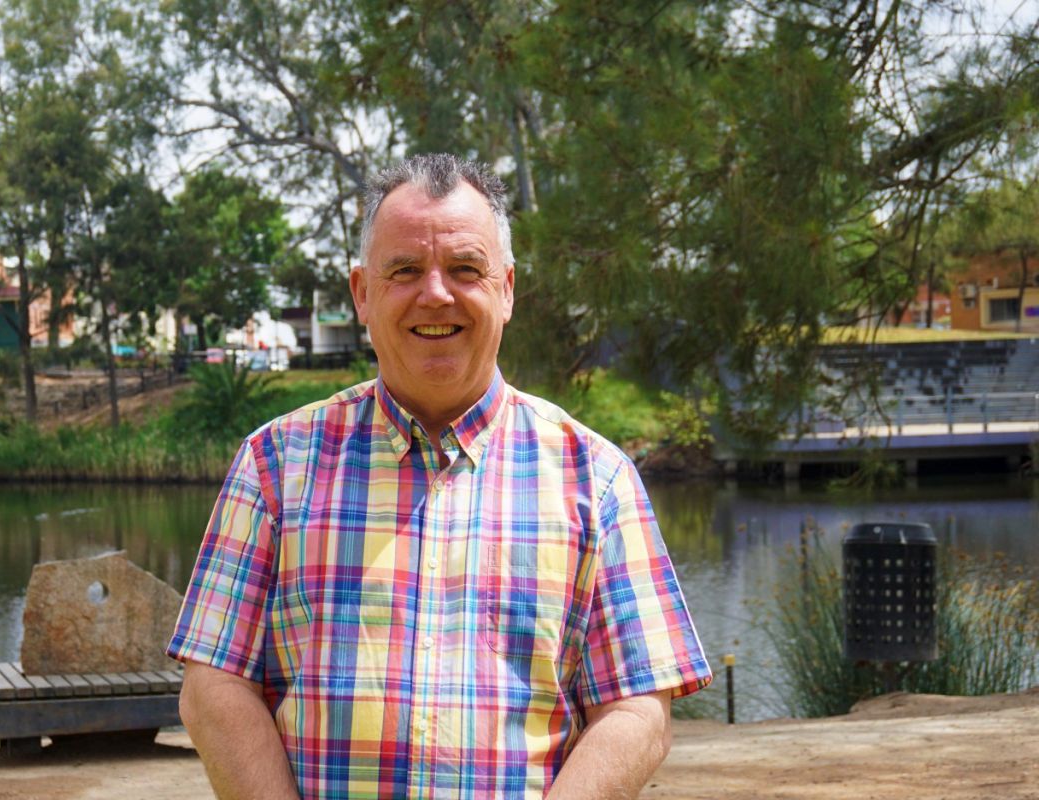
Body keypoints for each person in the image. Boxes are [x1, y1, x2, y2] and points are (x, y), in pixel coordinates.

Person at [167, 153, 712, 799]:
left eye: (464, 269)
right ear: (362, 293)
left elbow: (636, 710)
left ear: (506, 289)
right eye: (404, 270)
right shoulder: (273, 466)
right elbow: (214, 686)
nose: (435, 293)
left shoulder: (597, 481)